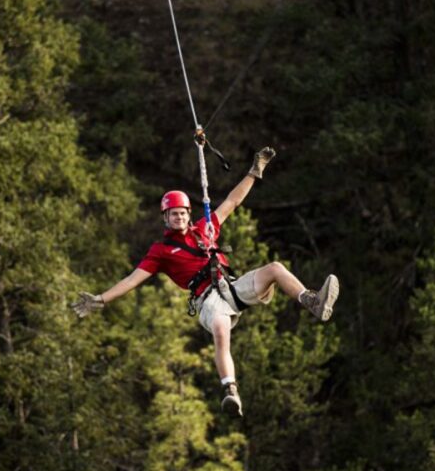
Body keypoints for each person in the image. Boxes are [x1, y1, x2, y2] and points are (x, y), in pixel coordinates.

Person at [71, 147, 339, 417]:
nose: (179, 217)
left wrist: (254, 171)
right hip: (208, 300)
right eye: (173, 214)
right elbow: (132, 279)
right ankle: (231, 391)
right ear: (165, 218)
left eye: (182, 213)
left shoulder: (204, 229)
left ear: (189, 214)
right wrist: (101, 298)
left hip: (230, 286)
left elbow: (233, 202)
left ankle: (312, 301)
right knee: (222, 330)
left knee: (275, 269)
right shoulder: (160, 251)